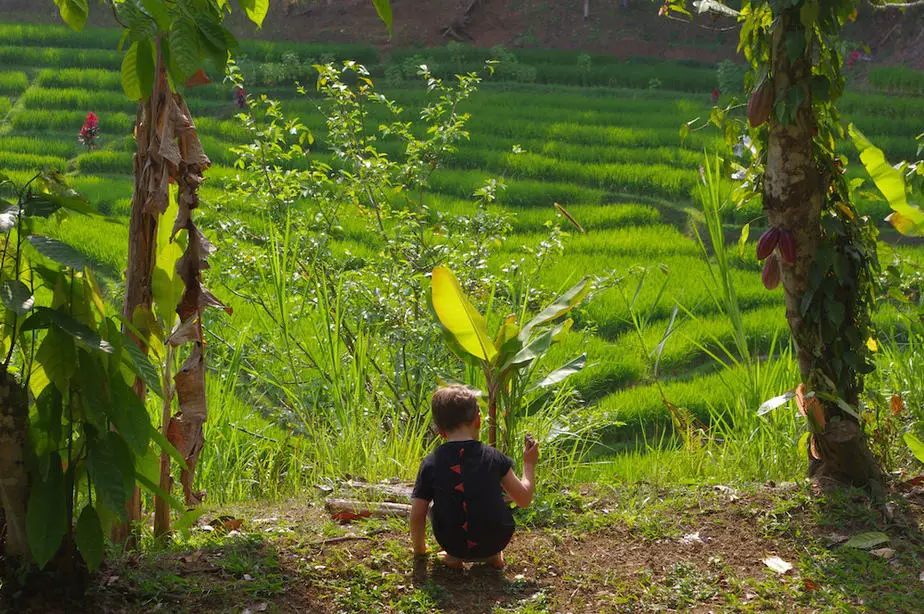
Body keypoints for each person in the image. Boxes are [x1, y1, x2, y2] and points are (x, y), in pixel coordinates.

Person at [410, 385, 539, 569]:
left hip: (452, 542)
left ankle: (455, 556)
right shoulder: (494, 457)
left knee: (432, 507)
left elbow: (417, 514)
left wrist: (419, 549)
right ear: (478, 420)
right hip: (496, 540)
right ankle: (493, 556)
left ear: (440, 430)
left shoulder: (431, 462)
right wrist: (529, 464)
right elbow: (524, 499)